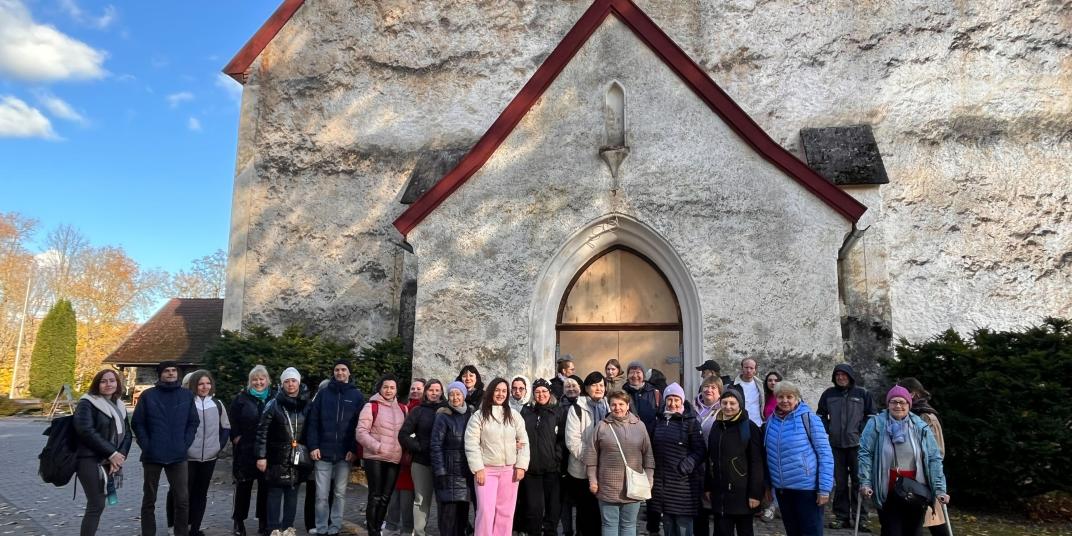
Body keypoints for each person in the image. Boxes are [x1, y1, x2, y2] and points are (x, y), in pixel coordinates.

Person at [859, 386, 950, 536]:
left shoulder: (920, 427)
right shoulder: (876, 424)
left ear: (909, 404)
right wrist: (866, 482)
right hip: (887, 488)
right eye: (894, 402)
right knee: (891, 531)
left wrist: (940, 489)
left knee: (913, 532)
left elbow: (934, 458)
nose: (898, 406)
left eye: (902, 402)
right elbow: (865, 454)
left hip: (916, 490)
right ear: (888, 404)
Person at [132, 360, 199, 536]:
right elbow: (138, 423)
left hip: (178, 455)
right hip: (152, 454)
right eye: (166, 371)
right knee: (149, 499)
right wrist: (146, 445)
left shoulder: (186, 396)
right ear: (160, 374)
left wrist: (185, 443)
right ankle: (148, 533)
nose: (170, 373)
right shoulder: (148, 396)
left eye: (173, 370)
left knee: (182, 500)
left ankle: (181, 533)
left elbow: (193, 422)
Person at [763, 381, 833, 536]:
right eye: (781, 397)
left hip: (807, 489)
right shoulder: (771, 421)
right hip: (782, 489)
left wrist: (824, 488)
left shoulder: (809, 418)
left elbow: (825, 454)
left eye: (789, 397)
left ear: (797, 398)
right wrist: (768, 484)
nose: (785, 401)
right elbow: (768, 454)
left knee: (810, 532)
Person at [583, 390, 655, 536]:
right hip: (607, 486)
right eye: (613, 405)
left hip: (633, 486)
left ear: (628, 405)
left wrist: (649, 479)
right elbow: (592, 456)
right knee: (609, 525)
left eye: (621, 404)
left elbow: (648, 455)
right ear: (609, 406)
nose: (617, 408)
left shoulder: (639, 426)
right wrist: (593, 480)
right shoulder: (601, 426)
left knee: (629, 525)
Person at [465, 377, 530, 536]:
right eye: (497, 390)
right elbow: (471, 443)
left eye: (504, 391)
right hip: (486, 471)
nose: (501, 394)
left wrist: (521, 465)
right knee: (485, 511)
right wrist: (478, 468)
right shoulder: (479, 416)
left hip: (509, 471)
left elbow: (523, 441)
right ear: (491, 392)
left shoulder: (514, 415)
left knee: (506, 512)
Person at [305, 359, 364, 536]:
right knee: (321, 495)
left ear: (349, 373)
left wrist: (353, 449)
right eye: (337, 370)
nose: (340, 372)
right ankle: (321, 527)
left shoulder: (356, 396)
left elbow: (359, 425)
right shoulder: (323, 394)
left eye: (343, 369)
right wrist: (313, 446)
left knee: (339, 493)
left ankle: (335, 527)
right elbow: (313, 422)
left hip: (345, 454)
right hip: (322, 452)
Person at [816, 364, 876, 531]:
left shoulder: (862, 393)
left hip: (858, 446)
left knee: (859, 482)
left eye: (844, 375)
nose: (840, 377)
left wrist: (860, 431)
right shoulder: (829, 394)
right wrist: (829, 429)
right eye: (837, 375)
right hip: (835, 446)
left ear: (850, 377)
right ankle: (841, 517)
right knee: (840, 483)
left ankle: (861, 519)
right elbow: (820, 415)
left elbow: (872, 416)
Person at [73, 368, 132, 536]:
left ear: (117, 384)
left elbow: (127, 434)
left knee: (99, 503)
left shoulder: (119, 405)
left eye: (112, 381)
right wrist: (112, 454)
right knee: (96, 503)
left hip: (109, 459)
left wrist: (119, 457)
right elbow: (86, 431)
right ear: (97, 384)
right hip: (88, 459)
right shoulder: (87, 403)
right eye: (103, 381)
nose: (108, 384)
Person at [255, 367, 310, 536]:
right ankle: (273, 528)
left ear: (299, 383)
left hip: (297, 457)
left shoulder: (307, 405)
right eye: (287, 381)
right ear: (282, 384)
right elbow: (262, 432)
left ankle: (288, 528)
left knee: (292, 492)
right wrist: (261, 456)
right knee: (274, 493)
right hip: (276, 456)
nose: (290, 384)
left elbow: (312, 429)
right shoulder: (273, 404)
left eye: (293, 381)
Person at [179, 370, 231, 536]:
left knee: (201, 494)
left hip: (210, 457)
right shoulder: (186, 403)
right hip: (188, 457)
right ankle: (182, 528)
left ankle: (195, 529)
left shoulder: (217, 404)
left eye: (208, 383)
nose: (205, 387)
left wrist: (218, 446)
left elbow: (225, 427)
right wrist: (184, 447)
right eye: (201, 384)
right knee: (184, 494)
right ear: (194, 385)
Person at [705, 390, 763, 536]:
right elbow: (710, 458)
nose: (728, 407)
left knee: (745, 531)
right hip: (720, 493)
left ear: (740, 405)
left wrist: (755, 494)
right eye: (724, 403)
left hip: (742, 494)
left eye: (732, 403)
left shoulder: (749, 428)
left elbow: (757, 462)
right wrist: (708, 486)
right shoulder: (717, 426)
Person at [651, 383, 704, 536]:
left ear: (682, 401)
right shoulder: (659, 420)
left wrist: (686, 465)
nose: (672, 404)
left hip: (683, 484)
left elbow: (700, 451)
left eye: (676, 400)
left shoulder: (691, 422)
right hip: (662, 483)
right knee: (668, 524)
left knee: (683, 525)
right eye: (669, 399)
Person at [358, 373, 408, 536]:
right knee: (375, 496)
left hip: (394, 459)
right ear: (380, 388)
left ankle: (378, 528)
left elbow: (406, 434)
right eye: (385, 387)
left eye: (392, 387)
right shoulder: (371, 406)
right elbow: (361, 432)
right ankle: (372, 532)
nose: (388, 390)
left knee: (386, 497)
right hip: (375, 458)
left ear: (396, 390)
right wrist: (377, 447)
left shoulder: (403, 409)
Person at [898, 378, 949, 536]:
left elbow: (937, 451)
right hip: (908, 475)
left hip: (925, 476)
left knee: (934, 520)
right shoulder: (903, 414)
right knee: (914, 522)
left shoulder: (927, 416)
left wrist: (930, 475)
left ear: (913, 394)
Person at [398, 379, 445, 536]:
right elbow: (403, 435)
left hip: (442, 463)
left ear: (442, 392)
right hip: (421, 462)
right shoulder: (418, 411)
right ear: (426, 392)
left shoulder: (447, 410)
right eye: (431, 390)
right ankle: (419, 533)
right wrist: (419, 447)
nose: (434, 393)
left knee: (444, 501)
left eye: (437, 390)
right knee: (421, 500)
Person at [565, 372, 609, 536]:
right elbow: (573, 442)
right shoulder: (577, 409)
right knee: (586, 512)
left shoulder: (609, 407)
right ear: (586, 388)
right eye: (594, 385)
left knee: (602, 513)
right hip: (582, 470)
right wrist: (592, 461)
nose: (598, 388)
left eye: (601, 385)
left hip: (606, 470)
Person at [231, 365, 272, 536]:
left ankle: (263, 521)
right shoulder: (241, 398)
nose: (258, 382)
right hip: (246, 450)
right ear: (250, 381)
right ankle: (238, 521)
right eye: (255, 379)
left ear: (267, 380)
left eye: (262, 379)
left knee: (265, 487)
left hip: (267, 450)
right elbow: (233, 420)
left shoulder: (274, 398)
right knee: (243, 487)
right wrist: (236, 437)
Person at [431, 381, 475, 536]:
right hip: (448, 473)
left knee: (462, 517)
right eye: (451, 394)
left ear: (464, 395)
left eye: (458, 394)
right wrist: (440, 471)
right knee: (448, 519)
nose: (455, 397)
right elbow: (435, 445)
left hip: (465, 473)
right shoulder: (443, 416)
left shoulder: (471, 415)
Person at [520, 379, 562, 536]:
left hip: (552, 469)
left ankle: (550, 533)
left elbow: (562, 439)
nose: (541, 395)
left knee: (553, 508)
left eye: (544, 391)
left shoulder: (557, 411)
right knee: (533, 509)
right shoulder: (527, 411)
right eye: (537, 392)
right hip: (531, 469)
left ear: (550, 393)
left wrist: (557, 458)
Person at [387, 378, 424, 536]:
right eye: (413, 388)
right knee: (395, 493)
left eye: (419, 389)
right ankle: (392, 525)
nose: (415, 391)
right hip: (397, 456)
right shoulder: (404, 407)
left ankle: (407, 529)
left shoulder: (422, 409)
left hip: (411, 457)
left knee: (407, 496)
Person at [692, 376, 721, 536]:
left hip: (714, 463)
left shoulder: (724, 410)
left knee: (715, 506)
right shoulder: (691, 408)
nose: (709, 390)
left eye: (713, 387)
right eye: (706, 387)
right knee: (699, 509)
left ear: (719, 392)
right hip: (696, 463)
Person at [557, 375, 583, 536]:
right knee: (564, 498)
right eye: (568, 386)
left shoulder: (585, 405)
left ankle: (580, 530)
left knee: (580, 499)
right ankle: (567, 530)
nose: (571, 389)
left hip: (580, 457)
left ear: (580, 388)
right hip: (563, 457)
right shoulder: (558, 405)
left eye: (574, 386)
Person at [759, 371, 783, 523]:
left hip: (782, 437)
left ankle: (775, 505)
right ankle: (771, 503)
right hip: (768, 437)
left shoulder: (783, 397)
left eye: (775, 380)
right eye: (770, 380)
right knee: (769, 470)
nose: (773, 383)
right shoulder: (765, 398)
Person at [621, 361, 660, 435]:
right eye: (632, 372)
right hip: (628, 436)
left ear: (644, 375)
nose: (635, 376)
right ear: (628, 375)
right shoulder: (622, 393)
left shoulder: (654, 393)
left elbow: (661, 415)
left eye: (638, 372)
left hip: (651, 436)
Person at [731, 359, 763, 427]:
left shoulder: (761, 385)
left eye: (751, 368)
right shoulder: (733, 386)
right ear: (742, 368)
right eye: (746, 367)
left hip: (758, 424)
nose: (748, 370)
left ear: (755, 370)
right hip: (739, 424)